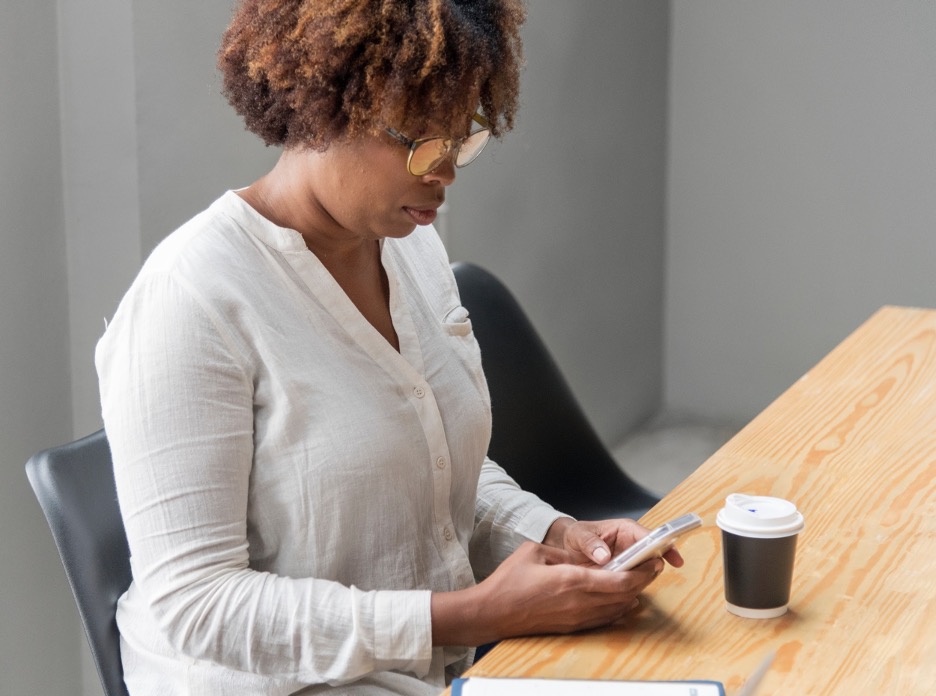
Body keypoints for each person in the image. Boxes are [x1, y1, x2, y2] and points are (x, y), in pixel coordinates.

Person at [95, 1, 684, 694]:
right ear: (322, 107)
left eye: (461, 140)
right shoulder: (190, 298)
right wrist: (465, 616)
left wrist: (552, 534)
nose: (447, 175)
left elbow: (428, 471)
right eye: (422, 145)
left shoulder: (410, 249)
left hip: (417, 671)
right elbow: (197, 603)